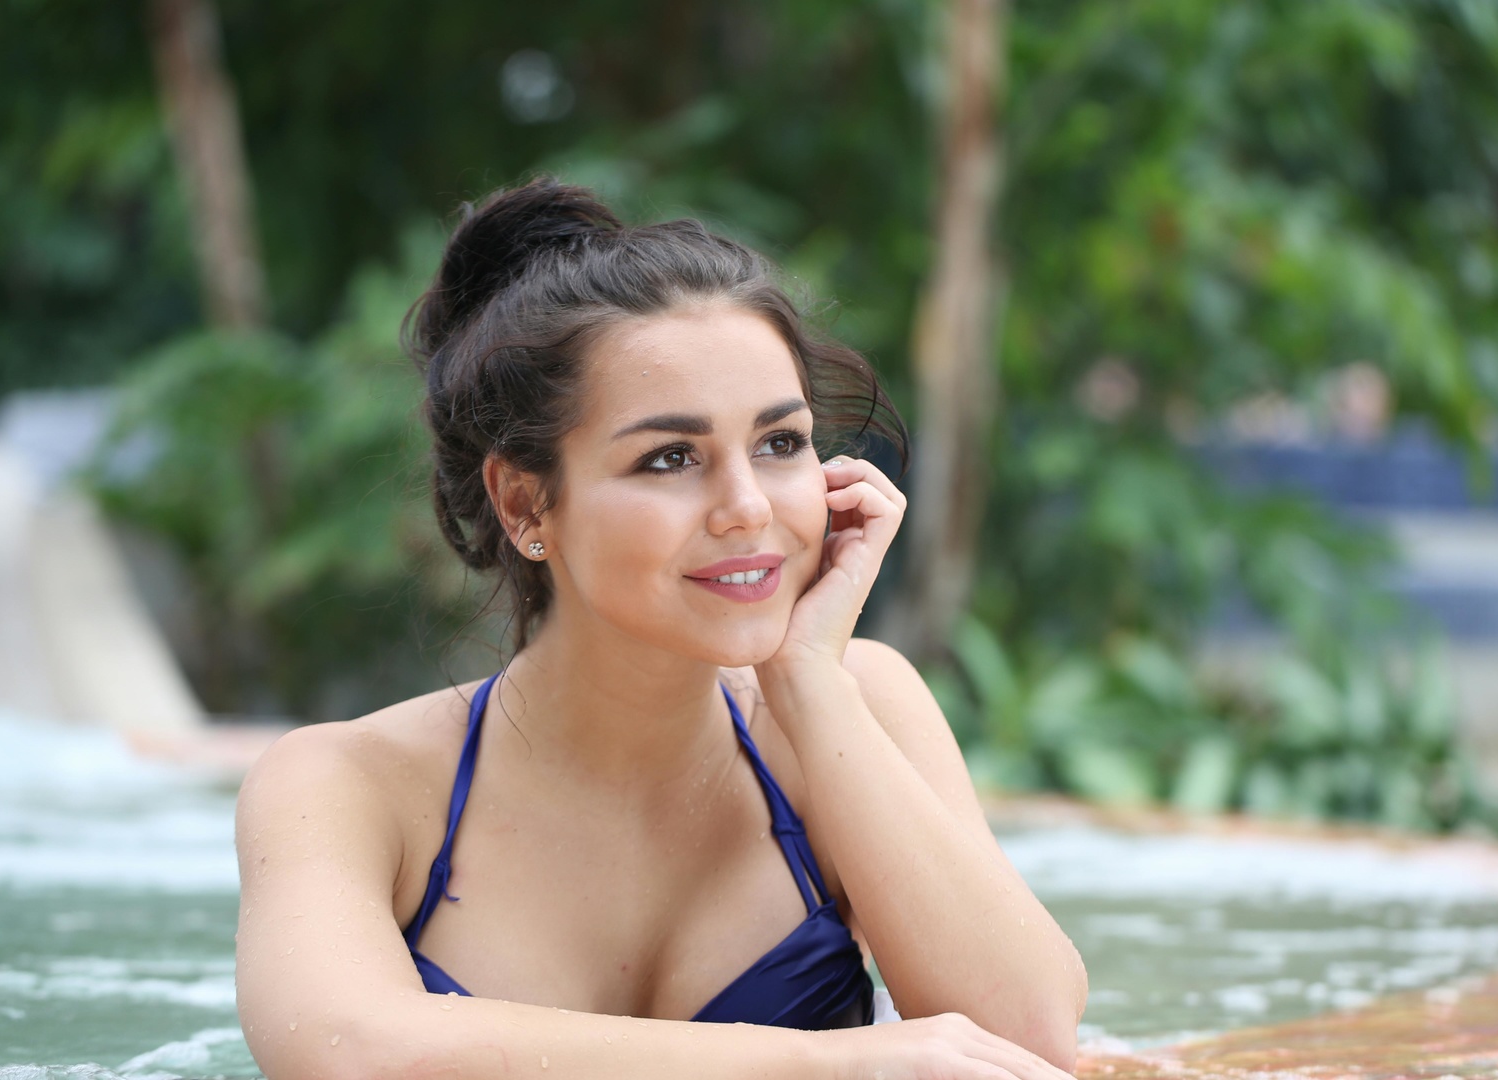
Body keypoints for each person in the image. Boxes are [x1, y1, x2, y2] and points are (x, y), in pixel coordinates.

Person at [233, 178, 1088, 1080]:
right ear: (525, 501)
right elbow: (348, 1052)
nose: (748, 507)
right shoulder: (348, 786)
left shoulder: (856, 703)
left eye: (780, 442)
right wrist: (831, 1067)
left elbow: (1031, 1040)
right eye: (670, 458)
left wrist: (806, 683)